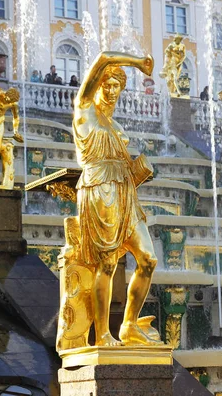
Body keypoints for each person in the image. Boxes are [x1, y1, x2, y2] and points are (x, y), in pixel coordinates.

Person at [71, 51, 161, 346]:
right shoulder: (83, 109)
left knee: (148, 259)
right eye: (106, 85)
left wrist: (138, 171)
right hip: (99, 191)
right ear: (96, 85)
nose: (110, 92)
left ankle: (129, 325)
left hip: (126, 192)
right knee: (106, 266)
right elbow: (102, 57)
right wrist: (137, 63)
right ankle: (102, 335)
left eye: (116, 88)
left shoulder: (116, 128)